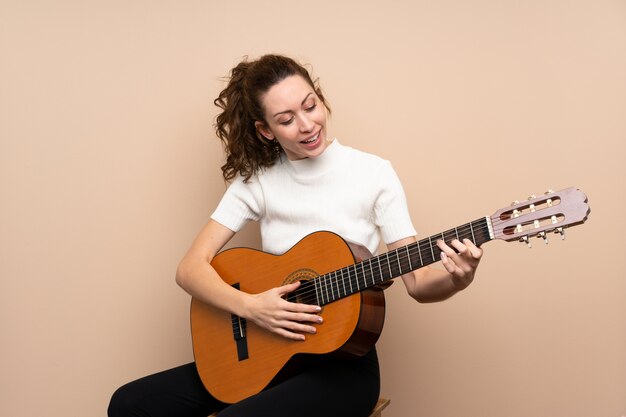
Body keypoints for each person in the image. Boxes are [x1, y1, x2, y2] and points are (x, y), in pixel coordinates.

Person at [108, 54, 484, 417]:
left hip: (343, 366)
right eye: (287, 119)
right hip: (268, 351)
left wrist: (458, 279)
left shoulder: (374, 173)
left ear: (321, 98)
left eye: (310, 105)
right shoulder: (256, 181)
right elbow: (189, 268)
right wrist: (253, 308)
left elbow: (418, 284)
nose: (307, 125)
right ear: (265, 130)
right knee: (129, 404)